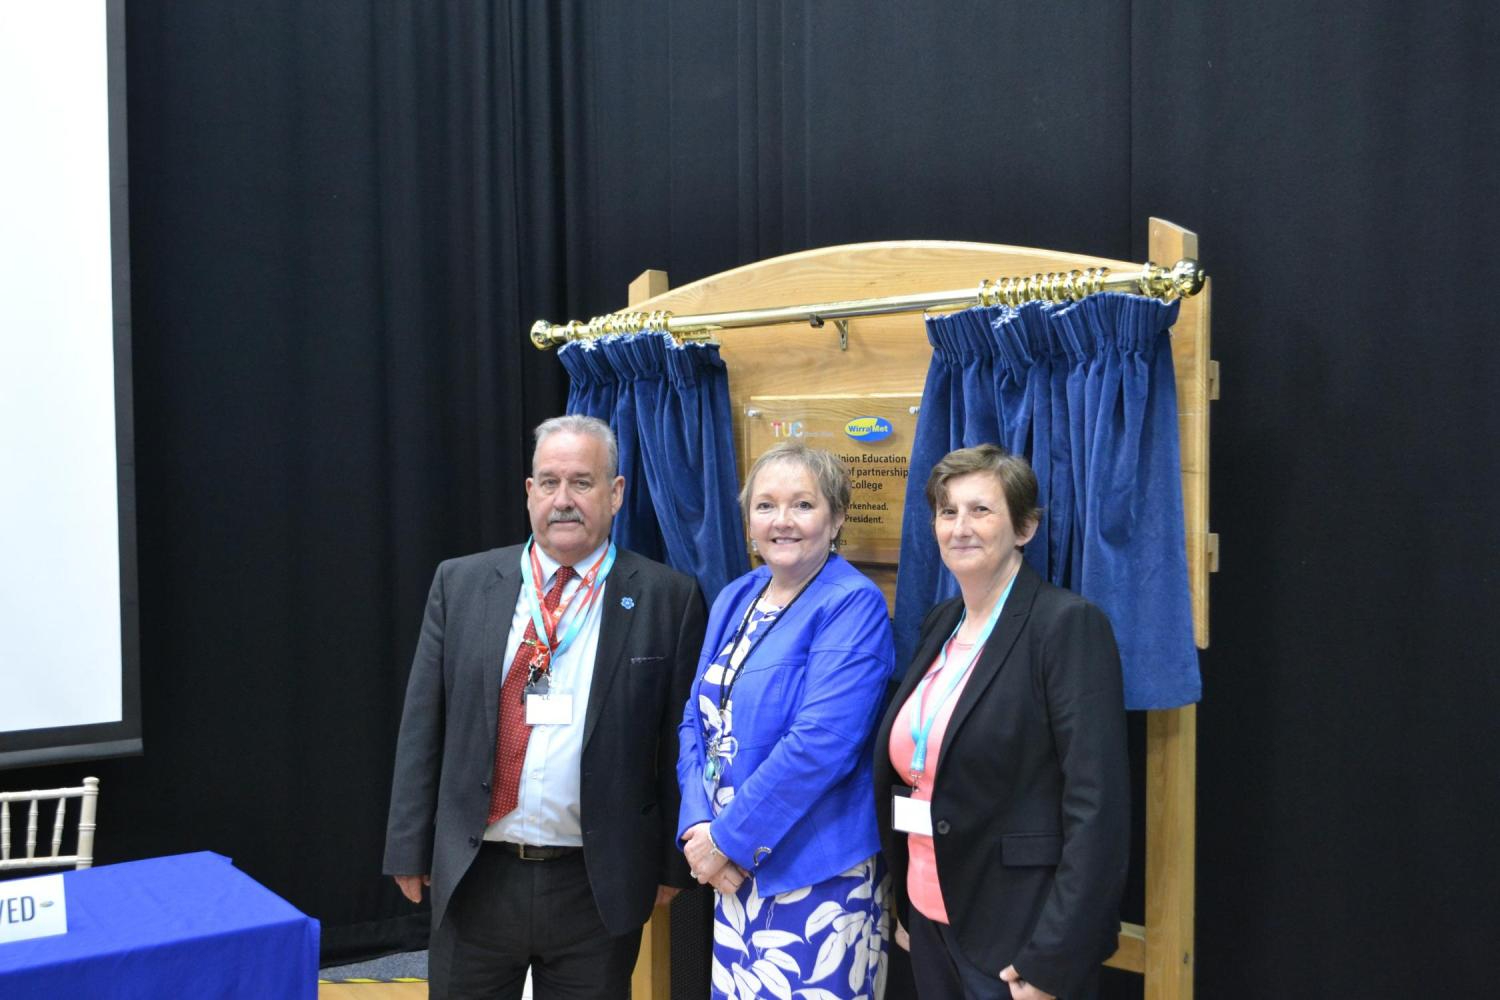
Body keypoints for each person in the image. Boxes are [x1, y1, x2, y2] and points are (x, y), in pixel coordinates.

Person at [384, 414, 707, 1000]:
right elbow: (421, 725)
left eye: (582, 483)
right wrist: (408, 845)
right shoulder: (460, 583)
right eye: (550, 482)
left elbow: (681, 742)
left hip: (597, 883)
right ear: (529, 492)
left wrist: (668, 864)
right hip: (477, 876)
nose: (564, 500)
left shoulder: (669, 598)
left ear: (615, 494)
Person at [873, 444, 1129, 1000]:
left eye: (980, 510)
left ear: (1025, 528)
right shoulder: (941, 622)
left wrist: (1054, 956)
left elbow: (1098, 807)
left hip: (1018, 939)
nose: (959, 527)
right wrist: (912, 912)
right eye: (947, 511)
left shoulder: (1066, 626)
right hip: (930, 916)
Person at [677, 442, 896, 1000]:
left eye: (803, 505)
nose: (782, 521)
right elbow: (695, 721)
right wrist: (697, 829)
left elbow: (820, 745)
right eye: (766, 505)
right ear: (748, 519)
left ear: (837, 517)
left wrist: (725, 839)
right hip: (731, 875)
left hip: (816, 877)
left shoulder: (854, 603)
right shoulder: (735, 597)